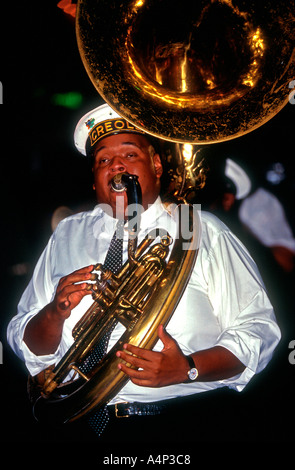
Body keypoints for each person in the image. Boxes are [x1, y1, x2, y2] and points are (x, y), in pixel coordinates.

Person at [7, 103, 281, 443]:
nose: (116, 164)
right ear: (94, 180)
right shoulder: (67, 232)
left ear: (156, 165)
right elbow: (25, 340)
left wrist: (188, 368)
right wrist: (54, 313)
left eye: (130, 154)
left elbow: (259, 329)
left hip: (182, 426)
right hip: (74, 426)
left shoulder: (195, 226)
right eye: (103, 160)